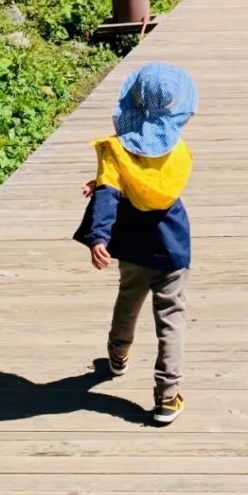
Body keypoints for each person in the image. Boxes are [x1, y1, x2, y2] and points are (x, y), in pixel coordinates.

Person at [76, 62, 197, 425]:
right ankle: (167, 396)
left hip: (131, 245)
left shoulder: (114, 152)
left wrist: (99, 236)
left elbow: (110, 196)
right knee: (171, 320)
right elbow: (149, 181)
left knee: (128, 300)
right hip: (173, 245)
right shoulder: (180, 153)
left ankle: (117, 356)